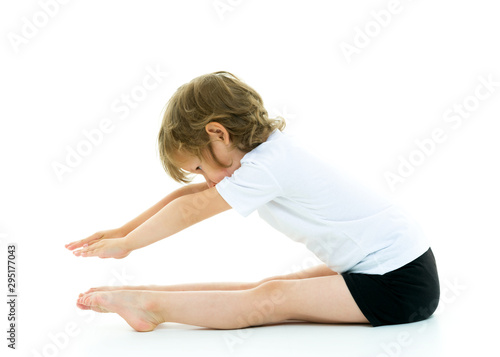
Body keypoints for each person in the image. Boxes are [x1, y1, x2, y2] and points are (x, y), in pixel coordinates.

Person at [65, 71, 440, 332]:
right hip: (387, 266)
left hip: (400, 283)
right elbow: (188, 197)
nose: (205, 179)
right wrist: (122, 232)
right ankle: (143, 297)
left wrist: (129, 245)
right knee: (269, 285)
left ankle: (151, 308)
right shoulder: (265, 157)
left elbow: (188, 210)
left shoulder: (268, 166)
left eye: (198, 165)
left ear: (218, 133)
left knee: (271, 297)